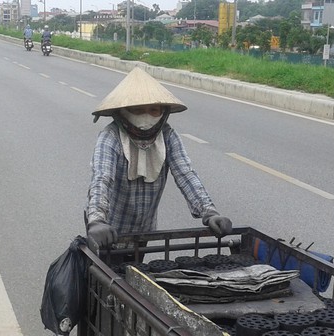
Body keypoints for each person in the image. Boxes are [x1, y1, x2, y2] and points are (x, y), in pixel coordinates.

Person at [85, 67, 232, 250]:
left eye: (154, 110)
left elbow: (186, 174)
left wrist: (209, 212)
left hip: (144, 232)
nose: (146, 115)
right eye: (138, 110)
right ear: (123, 111)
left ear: (163, 112)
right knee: (102, 276)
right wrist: (97, 220)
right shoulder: (111, 136)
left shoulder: (167, 136)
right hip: (107, 232)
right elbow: (102, 178)